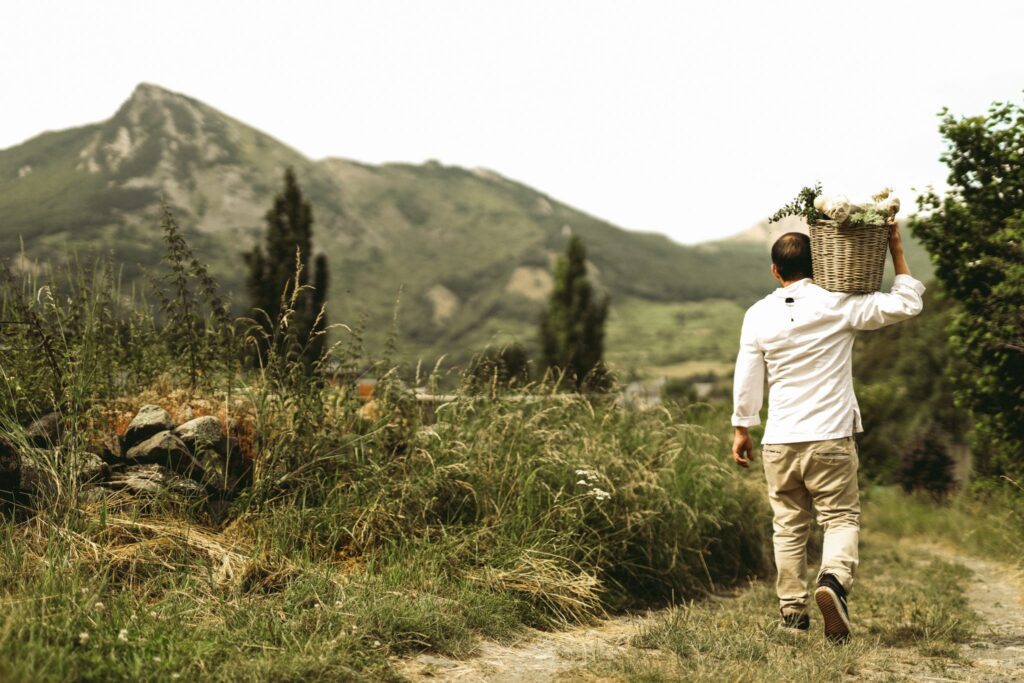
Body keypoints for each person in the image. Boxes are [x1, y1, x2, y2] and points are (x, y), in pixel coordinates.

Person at [730, 222, 925, 642]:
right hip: (829, 437)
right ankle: (833, 581)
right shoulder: (839, 303)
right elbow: (906, 304)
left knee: (788, 525)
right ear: (817, 265)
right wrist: (895, 250)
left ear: (775, 271)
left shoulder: (757, 314)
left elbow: (747, 376)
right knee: (839, 518)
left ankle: (792, 612)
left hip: (779, 440)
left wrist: (742, 427)